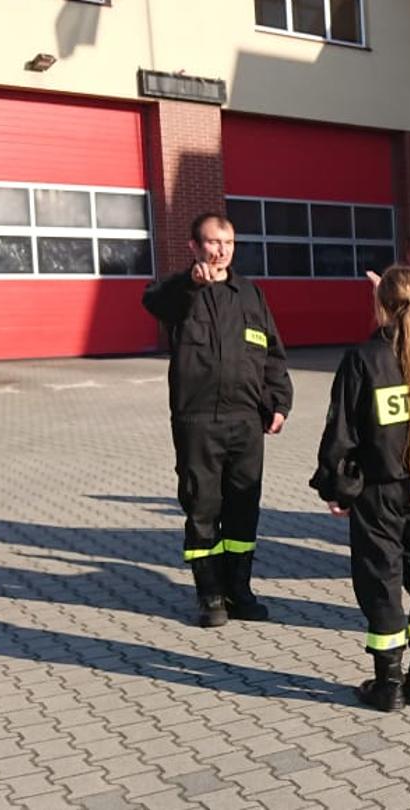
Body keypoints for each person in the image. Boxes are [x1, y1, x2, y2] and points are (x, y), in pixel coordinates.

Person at [311, 265, 410, 711]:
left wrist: (337, 488)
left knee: (382, 582)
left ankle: (388, 684)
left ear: (381, 306)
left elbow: (342, 433)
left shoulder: (364, 359)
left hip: (380, 492)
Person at [142, 212, 292, 628]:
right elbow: (154, 302)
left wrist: (279, 402)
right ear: (195, 246)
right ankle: (210, 595)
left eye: (227, 242)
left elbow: (273, 354)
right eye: (212, 242)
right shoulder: (180, 293)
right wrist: (191, 283)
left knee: (244, 509)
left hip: (246, 421)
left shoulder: (250, 295)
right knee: (203, 506)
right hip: (198, 421)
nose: (221, 250)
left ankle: (240, 591)